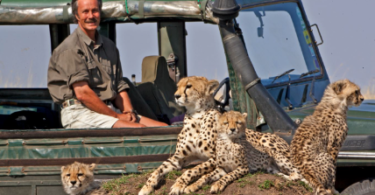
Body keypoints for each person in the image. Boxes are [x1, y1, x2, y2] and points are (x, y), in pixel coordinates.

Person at [47, 0, 167, 128]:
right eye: (85, 12)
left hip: (107, 109)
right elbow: (83, 93)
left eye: (94, 11)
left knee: (164, 129)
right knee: (139, 130)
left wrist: (129, 112)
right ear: (77, 15)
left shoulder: (109, 46)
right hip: (79, 112)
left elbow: (119, 86)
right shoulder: (70, 48)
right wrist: (117, 117)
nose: (91, 16)